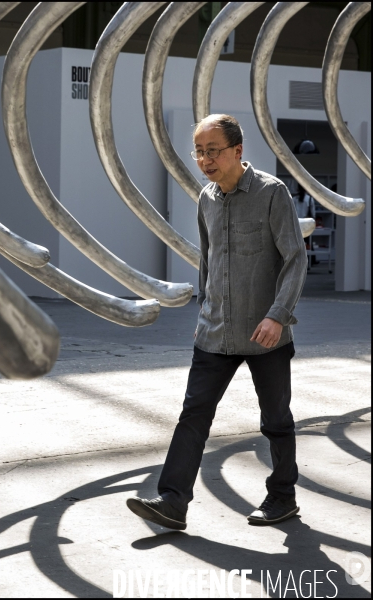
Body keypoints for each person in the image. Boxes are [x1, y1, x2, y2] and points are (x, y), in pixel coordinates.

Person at [127, 114, 307, 530]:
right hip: (214, 332)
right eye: (199, 151)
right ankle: (173, 502)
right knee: (194, 415)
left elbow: (295, 259)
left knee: (276, 420)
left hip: (266, 334)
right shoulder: (206, 199)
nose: (204, 159)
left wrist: (278, 316)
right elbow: (208, 263)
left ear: (237, 151)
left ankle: (283, 497)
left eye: (213, 150)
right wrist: (205, 310)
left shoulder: (271, 193)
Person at [292, 184, 318, 265]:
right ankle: (310, 261)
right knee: (308, 244)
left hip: (296, 224)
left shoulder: (294, 199)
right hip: (307, 225)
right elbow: (313, 214)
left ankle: (298, 261)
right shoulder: (309, 199)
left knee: (297, 244)